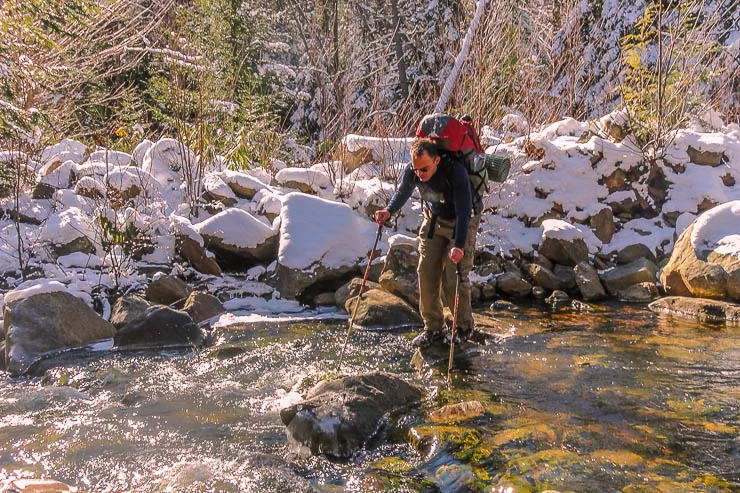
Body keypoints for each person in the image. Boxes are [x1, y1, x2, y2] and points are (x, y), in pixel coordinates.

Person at [375, 137, 485, 348]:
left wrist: (459, 246)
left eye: (424, 169)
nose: (420, 175)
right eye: (416, 170)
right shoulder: (414, 170)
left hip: (461, 222)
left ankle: (463, 328)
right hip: (434, 220)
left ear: (436, 160)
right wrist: (388, 211)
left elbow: (464, 212)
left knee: (453, 276)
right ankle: (433, 328)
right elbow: (403, 191)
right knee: (426, 273)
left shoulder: (456, 172)